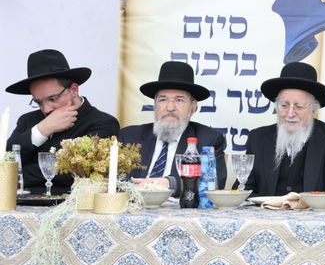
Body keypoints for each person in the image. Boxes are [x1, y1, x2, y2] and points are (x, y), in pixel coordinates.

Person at [5, 49, 119, 194]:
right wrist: (42, 130)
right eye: (39, 102)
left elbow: (75, 171)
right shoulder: (27, 120)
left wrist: (16, 174)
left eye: (53, 99)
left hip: (71, 205)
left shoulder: (103, 123)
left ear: (74, 90)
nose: (46, 109)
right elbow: (6, 160)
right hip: (21, 204)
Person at [244, 62, 325, 196]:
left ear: (314, 108)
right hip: (265, 209)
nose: (290, 114)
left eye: (299, 107)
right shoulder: (257, 138)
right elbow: (243, 191)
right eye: (284, 105)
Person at [119, 61, 226, 195]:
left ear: (193, 107)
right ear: (155, 105)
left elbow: (213, 183)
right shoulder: (129, 137)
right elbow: (114, 180)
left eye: (179, 100)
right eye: (163, 100)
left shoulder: (209, 140)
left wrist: (169, 183)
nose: (170, 108)